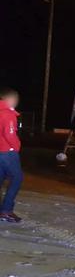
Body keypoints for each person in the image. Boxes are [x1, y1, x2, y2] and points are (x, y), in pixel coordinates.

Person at [0, 87, 23, 222]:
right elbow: (9, 134)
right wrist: (16, 147)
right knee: (17, 178)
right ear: (9, 99)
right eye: (15, 100)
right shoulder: (8, 114)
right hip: (7, 153)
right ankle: (6, 210)